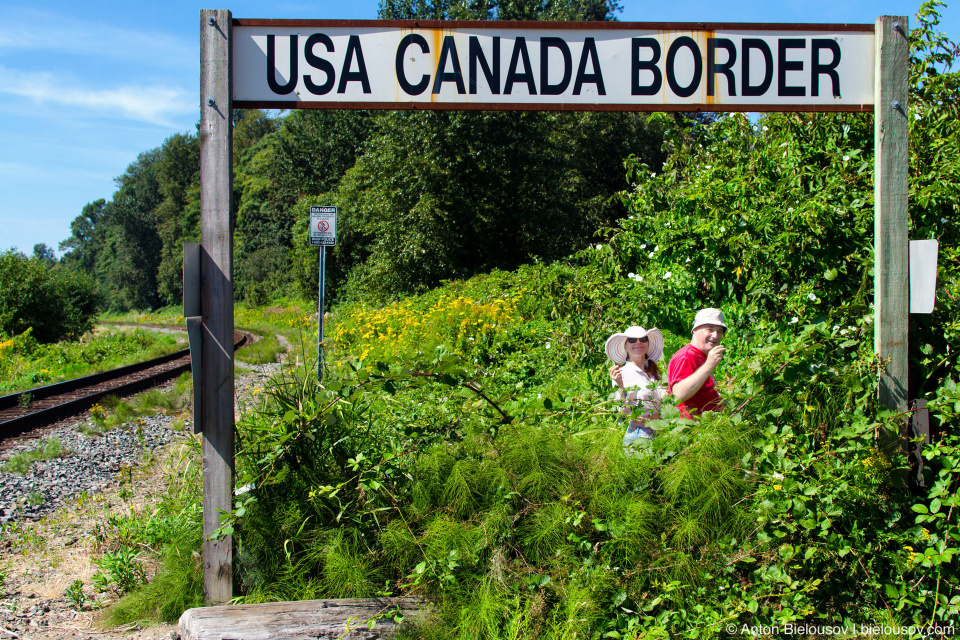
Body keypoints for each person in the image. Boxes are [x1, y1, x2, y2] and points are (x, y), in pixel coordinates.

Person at [604, 326, 666, 445]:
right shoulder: (622, 373)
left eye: (643, 339)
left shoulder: (653, 373)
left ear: (648, 344)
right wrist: (620, 386)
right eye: (632, 340)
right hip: (639, 435)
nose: (638, 342)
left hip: (659, 433)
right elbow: (623, 411)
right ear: (625, 346)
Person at [667, 308, 727, 419]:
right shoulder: (687, 356)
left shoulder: (702, 355)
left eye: (719, 331)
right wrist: (709, 365)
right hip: (692, 432)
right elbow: (678, 395)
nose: (715, 336)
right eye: (710, 329)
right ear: (695, 330)